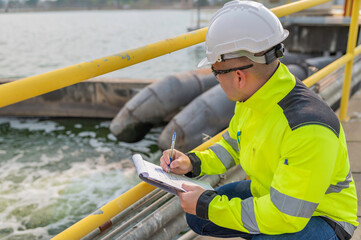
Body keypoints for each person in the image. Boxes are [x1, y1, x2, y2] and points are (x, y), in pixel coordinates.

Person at [160, 1, 358, 239]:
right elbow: (233, 144)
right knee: (198, 216)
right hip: (271, 193)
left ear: (239, 76)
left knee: (216, 213)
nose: (217, 80)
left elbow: (285, 215)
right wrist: (193, 163)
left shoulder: (307, 128)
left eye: (215, 72)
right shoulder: (254, 98)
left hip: (321, 216)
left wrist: (209, 205)